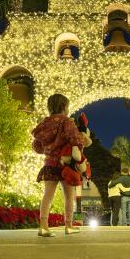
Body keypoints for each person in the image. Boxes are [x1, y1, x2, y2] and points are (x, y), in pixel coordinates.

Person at [31, 94, 85, 237]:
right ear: (63, 107)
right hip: (65, 165)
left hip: (49, 164)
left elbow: (37, 147)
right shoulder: (66, 122)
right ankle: (68, 225)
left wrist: (49, 149)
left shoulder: (43, 124)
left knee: (47, 195)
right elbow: (74, 138)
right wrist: (81, 142)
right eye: (67, 106)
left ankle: (43, 226)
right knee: (69, 195)